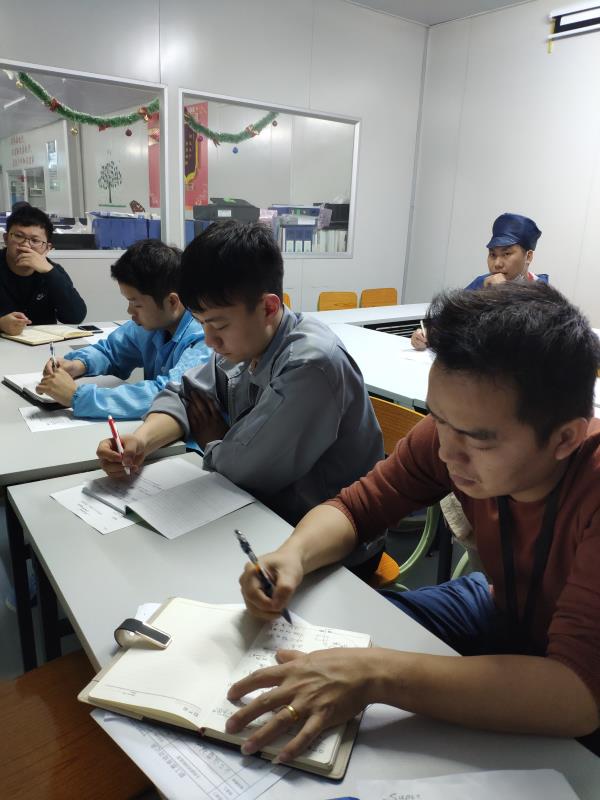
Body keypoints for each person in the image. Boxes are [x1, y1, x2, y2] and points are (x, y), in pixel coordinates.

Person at [225, 282, 600, 764]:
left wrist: (376, 675)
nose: (446, 452)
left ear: (565, 439)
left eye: (478, 441)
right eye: (437, 418)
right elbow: (356, 509)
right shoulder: (450, 435)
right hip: (502, 605)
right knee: (327, 638)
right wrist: (292, 555)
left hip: (572, 670)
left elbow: (576, 695)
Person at [96, 220, 384, 566]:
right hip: (265, 515)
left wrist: (213, 441)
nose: (209, 340)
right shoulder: (247, 341)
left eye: (218, 325)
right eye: (201, 323)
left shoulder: (311, 365)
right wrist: (141, 441)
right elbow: (185, 392)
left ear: (268, 308)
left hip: (327, 547)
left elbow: (244, 470)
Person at [36, 239, 211, 420]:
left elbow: (168, 394)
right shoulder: (152, 326)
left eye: (136, 304)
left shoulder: (204, 337)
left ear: (172, 302)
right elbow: (111, 351)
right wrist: (78, 365)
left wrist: (76, 397)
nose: (130, 311)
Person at [411, 212, 545, 350]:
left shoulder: (543, 295)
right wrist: (427, 334)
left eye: (506, 254)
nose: (497, 264)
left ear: (528, 256)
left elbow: (530, 341)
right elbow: (450, 320)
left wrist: (506, 296)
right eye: (492, 254)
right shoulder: (482, 283)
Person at [0, 204, 86, 336]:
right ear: (6, 239)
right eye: (18, 236)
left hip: (44, 345)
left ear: (47, 248)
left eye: (35, 240)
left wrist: (49, 273)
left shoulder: (52, 271)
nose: (25, 245)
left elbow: (75, 317)